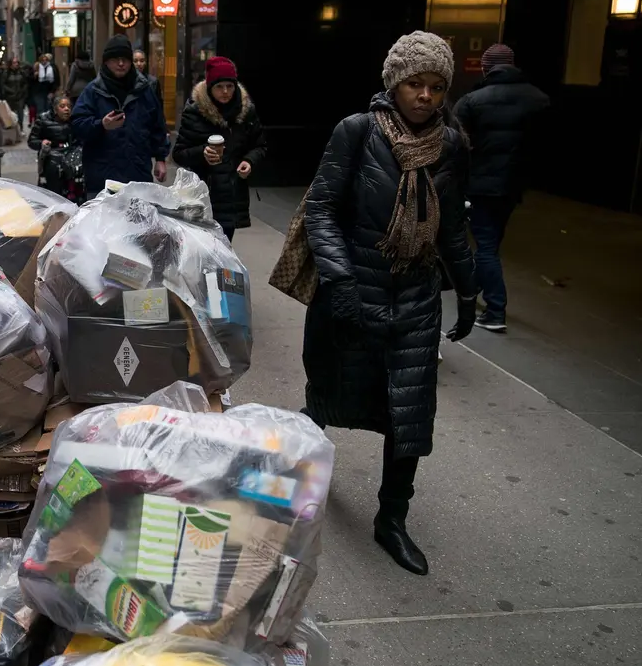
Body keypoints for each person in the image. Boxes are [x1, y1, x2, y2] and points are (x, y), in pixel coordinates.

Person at [299, 31, 477, 576]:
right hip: (354, 290)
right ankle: (296, 485)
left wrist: (468, 289)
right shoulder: (356, 132)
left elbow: (452, 225)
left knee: (410, 415)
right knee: (328, 395)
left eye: (436, 86)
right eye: (415, 84)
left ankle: (391, 520)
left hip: (417, 298)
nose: (425, 95)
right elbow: (321, 209)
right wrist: (341, 282)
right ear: (394, 84)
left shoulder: (451, 144)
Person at [453, 43, 549, 333]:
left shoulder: (471, 101)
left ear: (486, 67)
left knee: (484, 245)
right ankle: (474, 287)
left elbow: (456, 145)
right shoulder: (539, 99)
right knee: (491, 241)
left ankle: (495, 310)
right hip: (512, 185)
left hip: (480, 184)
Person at [171, 57, 266, 241]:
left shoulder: (246, 111)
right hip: (201, 197)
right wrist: (202, 153)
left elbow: (260, 145)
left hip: (232, 196)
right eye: (219, 86)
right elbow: (179, 153)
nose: (225, 92)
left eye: (230, 86)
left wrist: (249, 161)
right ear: (209, 87)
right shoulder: (195, 112)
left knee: (224, 251)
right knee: (203, 254)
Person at [70, 35, 170, 197]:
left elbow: (157, 126)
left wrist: (160, 158)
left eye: (125, 59)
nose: (121, 63)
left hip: (137, 175)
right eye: (116, 59)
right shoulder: (93, 91)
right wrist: (101, 125)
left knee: (139, 221)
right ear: (106, 62)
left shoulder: (144, 90)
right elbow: (77, 126)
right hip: (102, 178)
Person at [28, 94, 76, 196]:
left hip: (71, 153)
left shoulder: (75, 120)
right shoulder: (43, 119)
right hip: (51, 155)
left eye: (69, 106)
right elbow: (32, 141)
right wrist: (42, 143)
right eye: (62, 106)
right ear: (55, 109)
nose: (67, 109)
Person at [1, 57, 31, 127]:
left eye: (17, 62)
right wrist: (10, 91)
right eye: (14, 63)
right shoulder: (6, 73)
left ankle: (20, 128)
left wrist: (22, 91)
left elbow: (25, 83)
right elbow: (3, 84)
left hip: (20, 96)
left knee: (20, 113)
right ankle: (14, 128)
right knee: (11, 114)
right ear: (10, 64)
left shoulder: (21, 72)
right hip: (10, 96)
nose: (16, 64)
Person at [31, 53, 57, 124]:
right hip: (38, 92)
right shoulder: (36, 67)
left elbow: (56, 80)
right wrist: (34, 76)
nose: (44, 61)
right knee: (40, 110)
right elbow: (30, 81)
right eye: (42, 60)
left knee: (48, 110)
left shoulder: (52, 67)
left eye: (46, 60)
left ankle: (47, 125)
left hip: (48, 91)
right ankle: (40, 125)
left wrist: (53, 91)